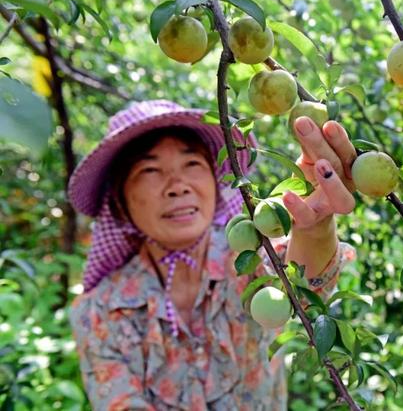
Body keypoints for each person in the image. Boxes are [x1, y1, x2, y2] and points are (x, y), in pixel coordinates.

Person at [67, 100, 358, 410]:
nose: (177, 186)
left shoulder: (248, 262)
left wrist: (314, 228)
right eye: (150, 170)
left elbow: (301, 283)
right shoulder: (100, 312)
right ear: (119, 201)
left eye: (191, 164)